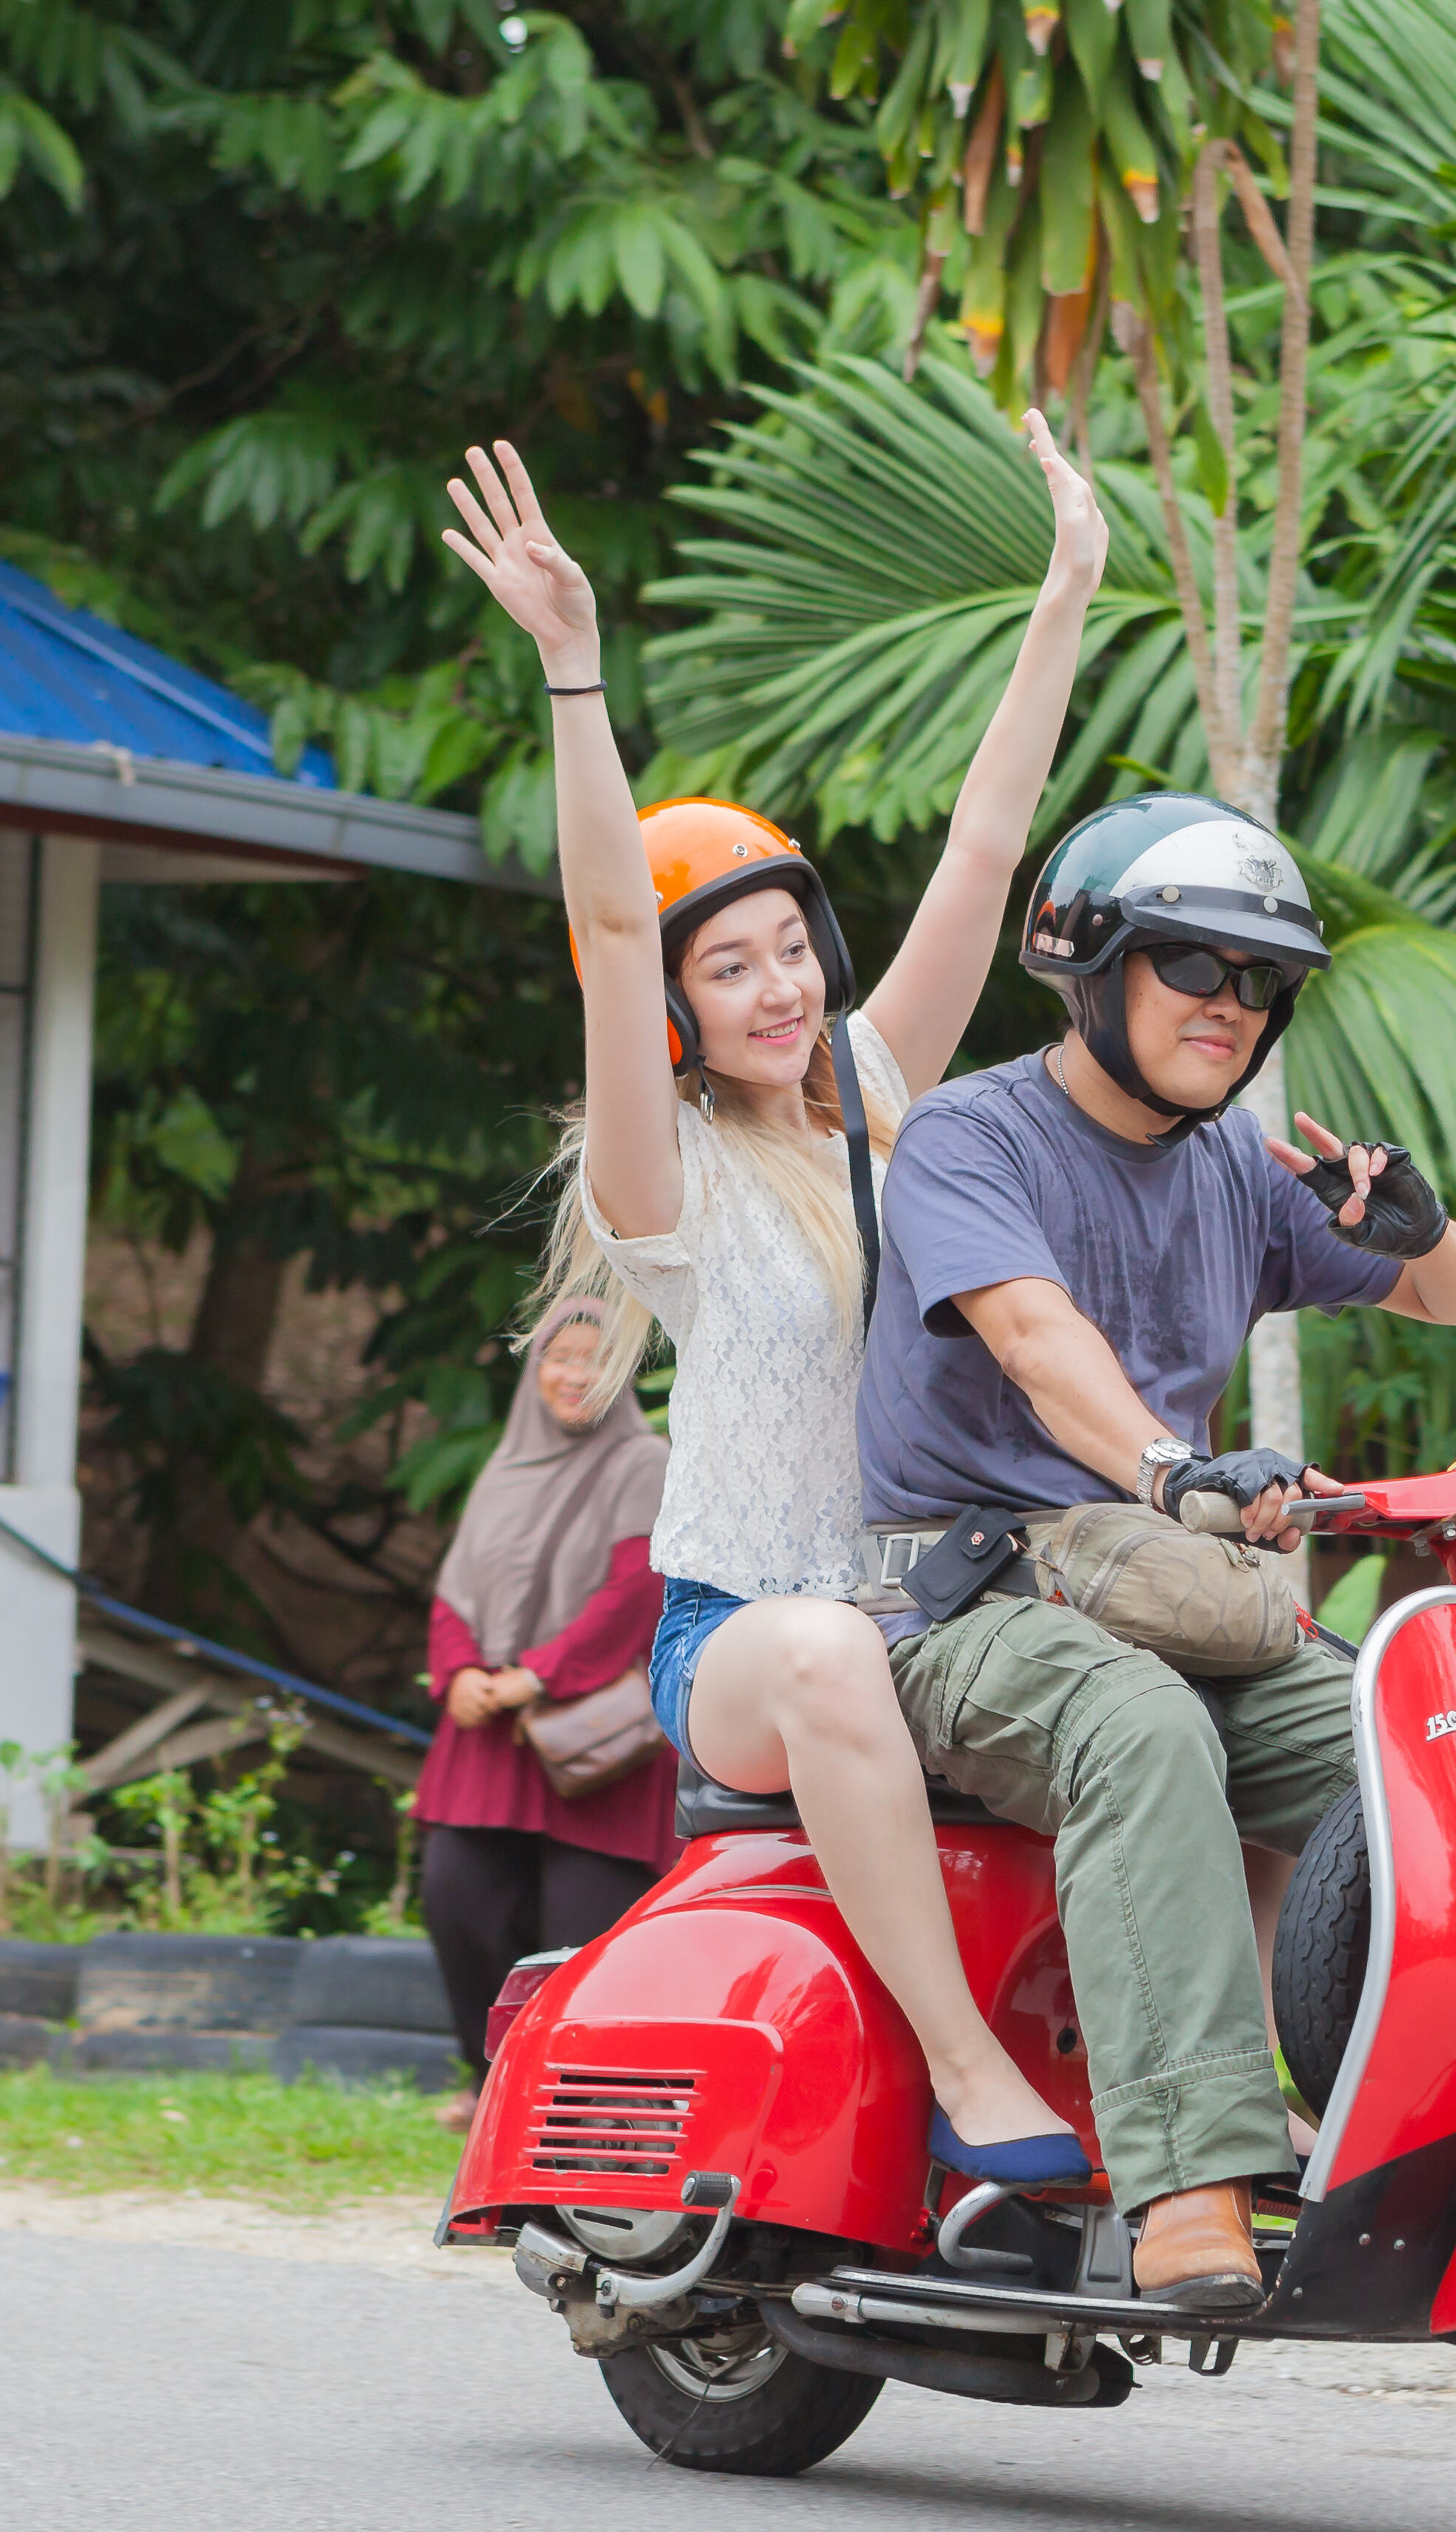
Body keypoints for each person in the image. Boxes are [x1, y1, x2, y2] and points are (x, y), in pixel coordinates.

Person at [441, 416, 1103, 2180]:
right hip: (741, 1629)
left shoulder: (885, 1103)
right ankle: (968, 2080)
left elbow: (981, 853)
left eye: (786, 946)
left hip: (927, 1603)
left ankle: (1197, 2088)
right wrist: (573, 674)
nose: (775, 986)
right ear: (671, 1012)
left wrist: (1060, 603)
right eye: (722, 968)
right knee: (818, 1650)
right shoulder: (657, 1187)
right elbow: (601, 923)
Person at [854, 791, 1456, 2309]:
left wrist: (1418, 1231)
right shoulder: (973, 1134)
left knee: (1423, 1742)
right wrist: (1172, 1465)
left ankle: (1409, 2131)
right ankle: (1189, 2188)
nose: (1231, 1006)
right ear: (1095, 968)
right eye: (1193, 967)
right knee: (1141, 1729)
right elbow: (1035, 1337)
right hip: (964, 1601)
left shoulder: (1233, 1166)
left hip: (1157, 1599)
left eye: (1257, 982)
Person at [414, 1303, 672, 2121]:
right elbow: (456, 1587)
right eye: (560, 1357)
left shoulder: (644, 1460)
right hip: (490, 1726)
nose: (574, 1374)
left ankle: (559, 2099)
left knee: (578, 1927)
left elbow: (638, 1586)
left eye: (596, 1359)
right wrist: (457, 1671)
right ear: (536, 1367)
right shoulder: (504, 1466)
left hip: (592, 1732)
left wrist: (539, 1674)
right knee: (457, 1898)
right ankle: (487, 2076)